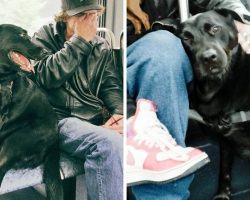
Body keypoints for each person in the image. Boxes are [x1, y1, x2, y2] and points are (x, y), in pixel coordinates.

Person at [127, 0, 250, 199]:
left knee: (163, 49)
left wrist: (241, 21)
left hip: (165, 46)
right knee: (161, 50)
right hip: (134, 51)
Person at [31, 0, 123, 199]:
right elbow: (45, 77)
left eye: (93, 14)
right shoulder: (44, 37)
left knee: (130, 133)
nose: (89, 20)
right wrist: (80, 41)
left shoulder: (101, 44)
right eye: (82, 16)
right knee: (107, 143)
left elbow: (111, 85)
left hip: (95, 117)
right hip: (60, 119)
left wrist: (119, 114)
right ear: (66, 17)